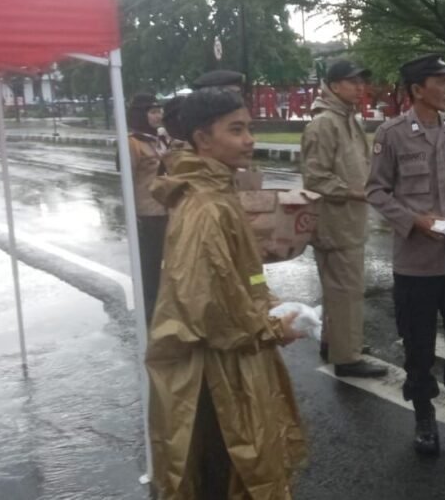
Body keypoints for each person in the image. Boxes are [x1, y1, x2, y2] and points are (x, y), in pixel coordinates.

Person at [146, 88, 307, 500]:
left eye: (249, 128)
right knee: (227, 473)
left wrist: (270, 302)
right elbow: (208, 308)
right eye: (236, 130)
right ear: (203, 139)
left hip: (237, 360)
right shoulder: (206, 207)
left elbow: (245, 276)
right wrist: (272, 328)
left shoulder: (220, 194)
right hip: (214, 377)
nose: (249, 139)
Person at [366, 53, 445, 457]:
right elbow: (376, 191)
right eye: (440, 81)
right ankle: (422, 416)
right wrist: (415, 220)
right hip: (416, 262)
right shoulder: (392, 134)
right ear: (418, 90)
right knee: (418, 344)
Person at [301, 60, 387, 378]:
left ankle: (335, 342)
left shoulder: (345, 117)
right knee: (346, 290)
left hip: (347, 220)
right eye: (353, 82)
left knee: (338, 289)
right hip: (335, 221)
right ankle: (347, 357)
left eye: (361, 81)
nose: (360, 87)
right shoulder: (325, 123)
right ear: (334, 86)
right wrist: (355, 192)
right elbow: (315, 178)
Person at [126, 93, 169, 325]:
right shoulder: (132, 143)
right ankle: (148, 315)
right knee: (150, 269)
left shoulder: (159, 140)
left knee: (170, 265)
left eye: (159, 111)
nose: (158, 116)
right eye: (152, 112)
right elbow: (127, 181)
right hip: (147, 215)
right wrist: (132, 217)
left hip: (167, 212)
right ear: (141, 115)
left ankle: (164, 311)